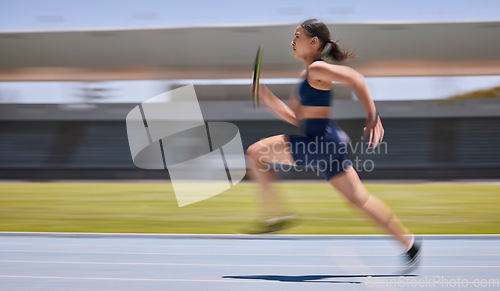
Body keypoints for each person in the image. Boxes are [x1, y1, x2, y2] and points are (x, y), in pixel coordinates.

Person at [245, 19, 421, 269]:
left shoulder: (318, 69)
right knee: (360, 200)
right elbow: (297, 118)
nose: (292, 42)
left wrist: (372, 116)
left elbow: (357, 78)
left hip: (319, 143)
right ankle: (409, 243)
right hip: (329, 142)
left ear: (314, 42)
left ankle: (277, 213)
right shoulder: (306, 75)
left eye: (297, 36)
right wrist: (266, 96)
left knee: (254, 152)